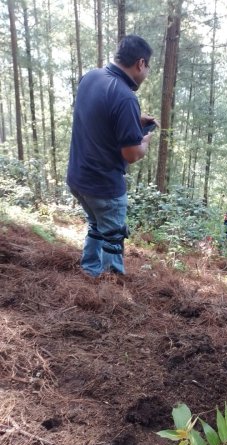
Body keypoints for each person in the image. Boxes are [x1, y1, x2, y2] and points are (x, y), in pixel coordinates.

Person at [67, 35, 155, 278]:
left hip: (78, 179)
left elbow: (98, 118)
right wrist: (144, 142)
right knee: (113, 237)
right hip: (104, 186)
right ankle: (111, 290)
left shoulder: (91, 77)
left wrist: (133, 121)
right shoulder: (125, 97)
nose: (146, 74)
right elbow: (131, 153)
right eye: (147, 67)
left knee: (96, 225)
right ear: (140, 63)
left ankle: (90, 271)